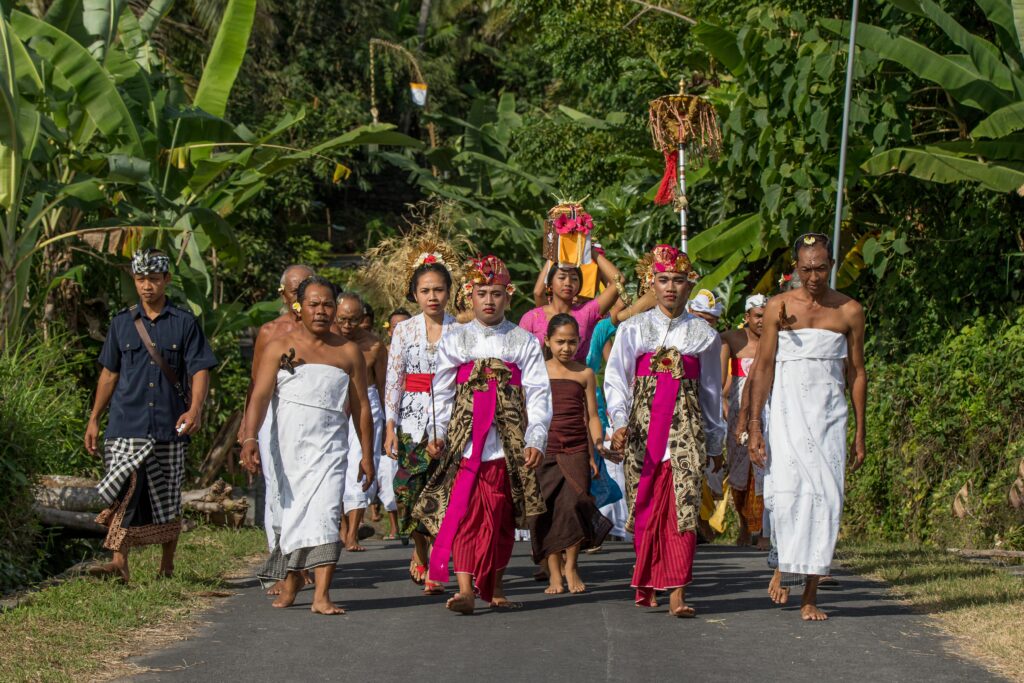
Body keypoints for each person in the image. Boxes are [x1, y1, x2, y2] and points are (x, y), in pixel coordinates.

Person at [415, 255, 552, 615]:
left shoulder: (523, 341)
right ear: (469, 297)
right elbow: (441, 392)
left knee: (500, 516)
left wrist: (536, 438)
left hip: (507, 443)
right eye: (481, 293)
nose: (488, 300)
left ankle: (494, 585)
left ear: (508, 297)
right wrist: (436, 433)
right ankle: (465, 590)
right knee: (463, 513)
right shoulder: (456, 341)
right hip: (464, 442)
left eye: (495, 293)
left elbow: (539, 392)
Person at [746, 233, 867, 621]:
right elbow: (762, 368)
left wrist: (861, 430)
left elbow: (857, 372)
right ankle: (783, 564)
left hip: (830, 415)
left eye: (820, 268)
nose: (813, 276)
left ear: (830, 266)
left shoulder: (849, 311)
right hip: (786, 413)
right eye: (805, 269)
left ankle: (810, 594)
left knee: (826, 500)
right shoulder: (778, 307)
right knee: (787, 494)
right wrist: (754, 424)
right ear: (795, 268)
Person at [239, 275, 374, 614]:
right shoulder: (278, 347)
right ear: (299, 308)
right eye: (313, 304)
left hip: (330, 450)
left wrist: (368, 455)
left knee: (328, 513)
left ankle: (322, 595)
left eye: (328, 304)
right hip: (287, 449)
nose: (322, 311)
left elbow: (361, 408)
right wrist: (250, 438)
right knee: (289, 514)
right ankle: (292, 579)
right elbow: (259, 396)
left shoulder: (348, 352)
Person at [604, 245, 725, 617]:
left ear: (690, 286)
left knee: (684, 505)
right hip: (642, 433)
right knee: (647, 505)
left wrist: (716, 441)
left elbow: (710, 391)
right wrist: (619, 423)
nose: (670, 287)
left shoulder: (702, 335)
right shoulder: (634, 329)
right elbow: (616, 379)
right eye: (663, 279)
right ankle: (648, 577)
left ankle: (677, 592)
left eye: (678, 280)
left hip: (686, 433)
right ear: (651, 283)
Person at [84, 249, 217, 583]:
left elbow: (199, 369)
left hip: (170, 425)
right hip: (125, 423)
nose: (147, 286)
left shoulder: (184, 322)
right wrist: (94, 418)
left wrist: (195, 408)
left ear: (166, 280)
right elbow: (109, 374)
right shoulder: (121, 323)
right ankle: (119, 561)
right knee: (124, 489)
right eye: (141, 279)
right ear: (135, 280)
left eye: (154, 279)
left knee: (168, 494)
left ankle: (167, 566)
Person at [382, 255, 458, 595]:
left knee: (444, 491)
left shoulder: (462, 331)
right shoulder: (403, 330)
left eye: (438, 290)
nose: (432, 297)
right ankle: (420, 548)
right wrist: (389, 425)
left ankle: (438, 565)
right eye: (425, 290)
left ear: (449, 292)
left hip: (450, 419)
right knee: (409, 490)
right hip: (411, 422)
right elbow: (394, 380)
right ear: (414, 294)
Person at [238, 265, 315, 595]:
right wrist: (248, 431)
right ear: (283, 294)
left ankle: (305, 562)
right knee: (277, 489)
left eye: (305, 289)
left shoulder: (327, 329)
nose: (298, 296)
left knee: (311, 489)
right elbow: (257, 385)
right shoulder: (271, 332)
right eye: (293, 289)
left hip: (314, 422)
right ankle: (280, 564)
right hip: (275, 417)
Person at [529, 314, 611, 593]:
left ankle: (572, 566)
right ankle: (554, 572)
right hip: (544, 448)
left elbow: (591, 416)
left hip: (576, 447)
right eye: (560, 341)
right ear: (547, 341)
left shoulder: (584, 373)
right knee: (548, 509)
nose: (566, 347)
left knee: (575, 504)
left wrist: (598, 444)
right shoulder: (536, 370)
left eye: (572, 342)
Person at [336, 292, 388, 552]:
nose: (347, 326)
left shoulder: (374, 346)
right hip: (335, 405)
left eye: (353, 320)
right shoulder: (327, 341)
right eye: (342, 319)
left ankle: (353, 532)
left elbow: (382, 386)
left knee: (361, 462)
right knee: (337, 466)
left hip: (367, 404)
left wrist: (389, 425)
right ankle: (343, 527)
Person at [720, 294, 768, 548]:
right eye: (758, 316)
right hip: (738, 412)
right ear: (747, 317)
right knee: (738, 470)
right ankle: (743, 525)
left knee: (764, 468)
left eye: (765, 316)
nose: (762, 321)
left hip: (767, 409)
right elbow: (718, 379)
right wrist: (722, 403)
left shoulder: (776, 340)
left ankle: (762, 530)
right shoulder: (731, 339)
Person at [520, 247, 623, 362]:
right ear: (549, 283)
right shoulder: (531, 318)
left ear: (580, 285)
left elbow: (619, 282)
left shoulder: (587, 312)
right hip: (539, 379)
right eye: (562, 277)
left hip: (578, 378)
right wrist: (558, 248)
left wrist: (590, 249)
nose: (568, 283)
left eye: (574, 279)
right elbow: (518, 358)